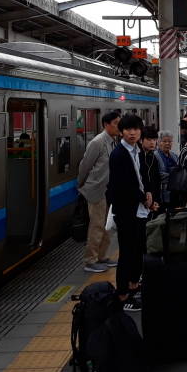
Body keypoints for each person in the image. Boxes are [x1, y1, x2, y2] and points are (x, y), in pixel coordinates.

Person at [108, 114, 157, 311]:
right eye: (128, 129)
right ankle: (122, 294)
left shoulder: (137, 150)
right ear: (121, 132)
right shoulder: (119, 154)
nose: (132, 132)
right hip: (126, 210)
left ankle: (133, 286)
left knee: (137, 250)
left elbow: (142, 174)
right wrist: (143, 198)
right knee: (127, 253)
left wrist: (149, 192)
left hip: (138, 210)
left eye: (136, 129)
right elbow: (124, 184)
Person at [77, 111, 120, 273]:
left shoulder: (113, 142)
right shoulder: (98, 142)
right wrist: (81, 184)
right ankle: (90, 260)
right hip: (97, 190)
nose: (118, 126)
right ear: (106, 124)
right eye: (115, 123)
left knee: (106, 226)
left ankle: (101, 256)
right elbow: (85, 166)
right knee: (96, 226)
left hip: (109, 190)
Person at [139, 125, 162, 211]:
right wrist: (146, 200)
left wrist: (155, 200)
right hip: (140, 199)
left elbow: (156, 179)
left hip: (152, 200)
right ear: (141, 140)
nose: (152, 142)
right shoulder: (137, 156)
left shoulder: (153, 157)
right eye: (148, 140)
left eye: (154, 140)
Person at [155, 130, 179, 207]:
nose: (167, 143)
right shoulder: (155, 156)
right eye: (164, 141)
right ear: (158, 142)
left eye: (170, 141)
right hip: (163, 191)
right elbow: (158, 174)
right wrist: (174, 176)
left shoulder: (174, 155)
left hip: (176, 190)